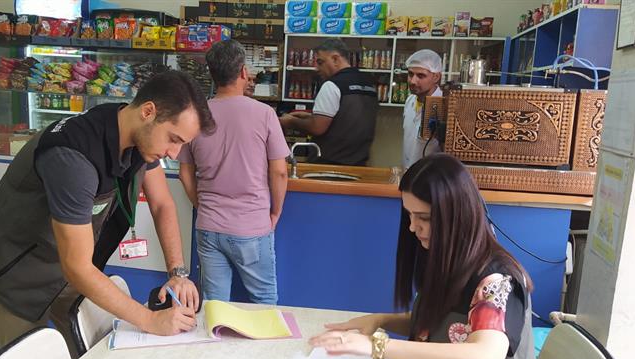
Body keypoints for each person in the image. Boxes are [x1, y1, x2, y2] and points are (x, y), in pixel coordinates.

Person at [0, 71, 215, 359]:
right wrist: (150, 320)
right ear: (149, 111)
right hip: (21, 270)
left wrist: (178, 273)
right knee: (28, 356)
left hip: (71, 265)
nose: (174, 153)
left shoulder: (133, 132)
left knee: (92, 353)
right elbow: (78, 268)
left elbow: (162, 204)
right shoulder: (73, 158)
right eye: (174, 139)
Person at [310, 153, 536, 359]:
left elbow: (484, 358)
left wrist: (376, 346)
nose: (412, 227)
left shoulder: (497, 279)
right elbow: (440, 324)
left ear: (458, 215)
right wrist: (381, 320)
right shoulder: (444, 257)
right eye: (409, 214)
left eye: (424, 218)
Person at [178, 40, 289, 305]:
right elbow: (279, 172)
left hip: (208, 225)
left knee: (215, 306)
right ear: (242, 72)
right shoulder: (264, 114)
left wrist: (200, 204)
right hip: (251, 225)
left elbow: (184, 171)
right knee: (264, 300)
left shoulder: (196, 114)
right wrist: (276, 211)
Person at [279, 38, 378, 166]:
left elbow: (317, 127)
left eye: (320, 62)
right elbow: (348, 119)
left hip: (330, 164)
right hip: (359, 164)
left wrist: (290, 121)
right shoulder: (368, 83)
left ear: (335, 59)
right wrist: (310, 116)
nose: (317, 68)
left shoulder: (332, 85)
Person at [402, 49, 443, 170]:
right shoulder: (410, 101)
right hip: (408, 174)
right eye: (410, 74)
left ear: (436, 77)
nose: (413, 81)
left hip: (432, 179)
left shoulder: (445, 106)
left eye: (421, 76)